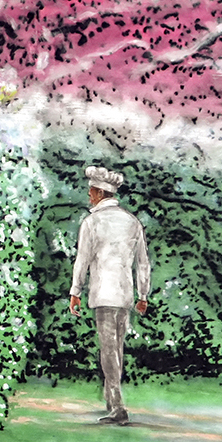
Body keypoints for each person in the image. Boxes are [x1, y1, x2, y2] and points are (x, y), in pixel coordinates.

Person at [67, 165, 151, 425]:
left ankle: (117, 406)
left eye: (91, 191)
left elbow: (82, 260)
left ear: (99, 192)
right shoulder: (132, 221)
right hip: (124, 294)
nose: (89, 196)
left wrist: (75, 291)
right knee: (117, 349)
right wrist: (143, 293)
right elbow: (143, 262)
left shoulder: (91, 222)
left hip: (103, 293)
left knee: (108, 351)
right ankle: (111, 398)